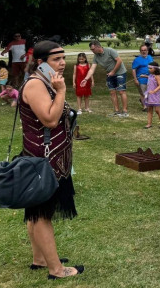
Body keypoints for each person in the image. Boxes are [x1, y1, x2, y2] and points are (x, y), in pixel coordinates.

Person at [19, 40, 83, 279]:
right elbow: (50, 120)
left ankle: (40, 259)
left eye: (63, 58)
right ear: (40, 62)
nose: (63, 63)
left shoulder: (46, 81)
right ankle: (56, 269)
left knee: (36, 211)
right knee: (42, 214)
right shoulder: (36, 84)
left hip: (52, 158)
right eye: (56, 59)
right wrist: (63, 91)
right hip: (43, 160)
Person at [84, 40, 128, 117]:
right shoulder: (96, 57)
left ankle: (125, 111)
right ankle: (117, 111)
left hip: (120, 72)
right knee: (112, 92)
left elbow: (119, 61)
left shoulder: (110, 51)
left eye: (93, 49)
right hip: (110, 74)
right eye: (91, 49)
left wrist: (113, 71)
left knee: (121, 91)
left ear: (98, 47)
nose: (92, 51)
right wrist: (86, 79)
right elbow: (92, 69)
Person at [144, 63, 160, 129]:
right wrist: (144, 76)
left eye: (150, 68)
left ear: (155, 69)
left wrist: (154, 91)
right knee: (149, 109)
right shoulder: (150, 75)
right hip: (149, 94)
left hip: (155, 95)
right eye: (148, 68)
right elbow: (150, 78)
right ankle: (149, 123)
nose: (149, 69)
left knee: (157, 110)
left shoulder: (157, 76)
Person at [132, 45, 154, 110]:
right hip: (141, 79)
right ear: (140, 51)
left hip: (149, 78)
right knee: (143, 93)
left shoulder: (150, 57)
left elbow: (152, 66)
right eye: (142, 50)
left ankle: (144, 101)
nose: (144, 52)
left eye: (145, 50)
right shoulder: (137, 60)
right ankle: (145, 107)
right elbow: (133, 70)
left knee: (149, 92)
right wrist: (135, 79)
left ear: (147, 51)